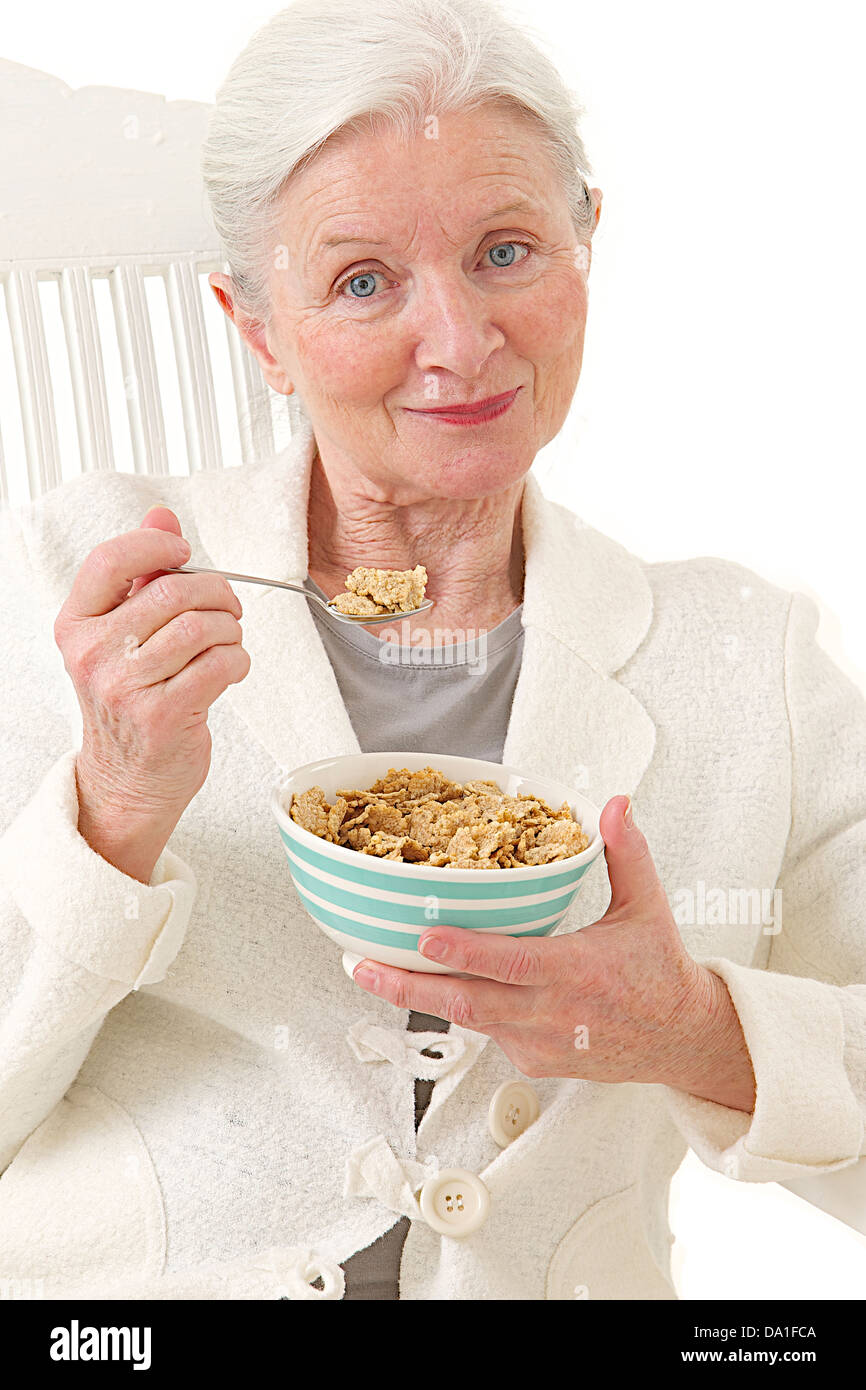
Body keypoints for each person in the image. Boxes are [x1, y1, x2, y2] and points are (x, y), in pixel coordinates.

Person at [0, 0, 864, 1300]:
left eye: (505, 250)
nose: (459, 344)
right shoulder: (83, 582)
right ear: (254, 329)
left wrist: (700, 1035)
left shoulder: (741, 660)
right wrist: (109, 817)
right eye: (362, 282)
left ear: (587, 244)